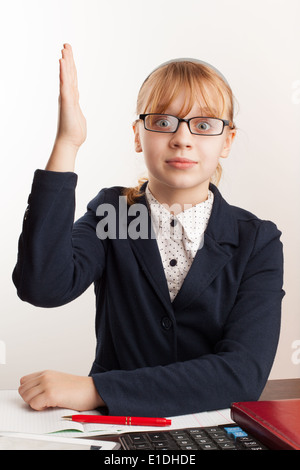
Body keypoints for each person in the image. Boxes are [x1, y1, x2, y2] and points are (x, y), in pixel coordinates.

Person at [14, 44, 284, 417]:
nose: (182, 138)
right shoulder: (116, 214)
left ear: (228, 141)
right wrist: (68, 143)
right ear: (138, 134)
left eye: (204, 125)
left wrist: (96, 389)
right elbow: (42, 286)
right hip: (115, 428)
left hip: (211, 428)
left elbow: (241, 375)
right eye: (162, 121)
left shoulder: (257, 241)